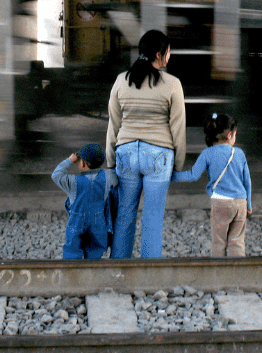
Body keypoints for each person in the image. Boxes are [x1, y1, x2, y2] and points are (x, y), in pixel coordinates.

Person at [106, 29, 186, 258]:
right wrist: (178, 166)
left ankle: (119, 271)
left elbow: (114, 124)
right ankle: (149, 274)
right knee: (152, 217)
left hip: (126, 154)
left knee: (124, 215)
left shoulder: (121, 80)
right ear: (160, 55)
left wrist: (111, 162)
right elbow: (177, 128)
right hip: (158, 156)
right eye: (168, 52)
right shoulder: (172, 84)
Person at [171, 113, 252, 257]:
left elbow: (192, 175)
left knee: (219, 242)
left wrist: (170, 176)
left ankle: (218, 275)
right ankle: (238, 275)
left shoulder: (207, 153)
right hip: (240, 203)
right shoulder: (239, 154)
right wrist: (249, 205)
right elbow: (247, 182)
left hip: (221, 202)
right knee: (237, 242)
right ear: (230, 135)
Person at [51, 143, 119, 259]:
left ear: (82, 163)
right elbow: (116, 178)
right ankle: (92, 271)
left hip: (77, 220)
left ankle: (73, 270)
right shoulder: (108, 177)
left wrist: (70, 160)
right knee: (96, 248)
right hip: (98, 220)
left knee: (72, 247)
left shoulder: (72, 181)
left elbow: (56, 175)